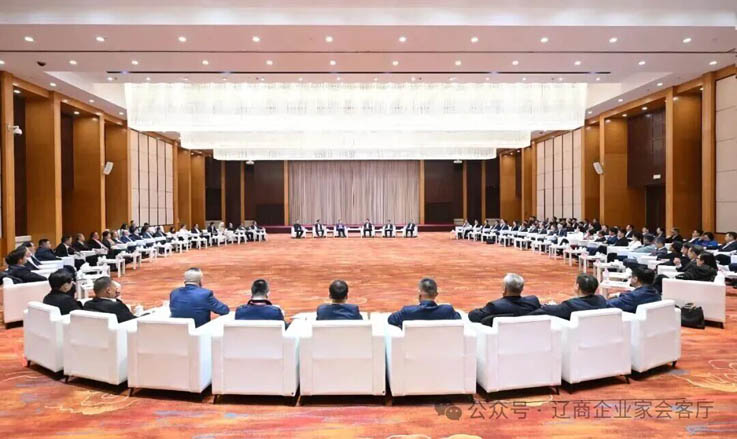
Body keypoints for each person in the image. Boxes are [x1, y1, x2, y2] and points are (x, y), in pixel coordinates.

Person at [527, 273, 608, 320]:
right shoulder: (601, 299)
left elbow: (546, 310)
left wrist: (550, 305)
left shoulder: (571, 305)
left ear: (577, 286)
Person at [468, 273, 541, 324]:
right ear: (521, 289)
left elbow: (472, 316)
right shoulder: (533, 301)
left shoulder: (495, 306)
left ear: (505, 289)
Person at [387, 278, 460, 328]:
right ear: (436, 294)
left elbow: (391, 319)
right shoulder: (447, 310)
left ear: (420, 293)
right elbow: (458, 318)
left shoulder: (407, 311)